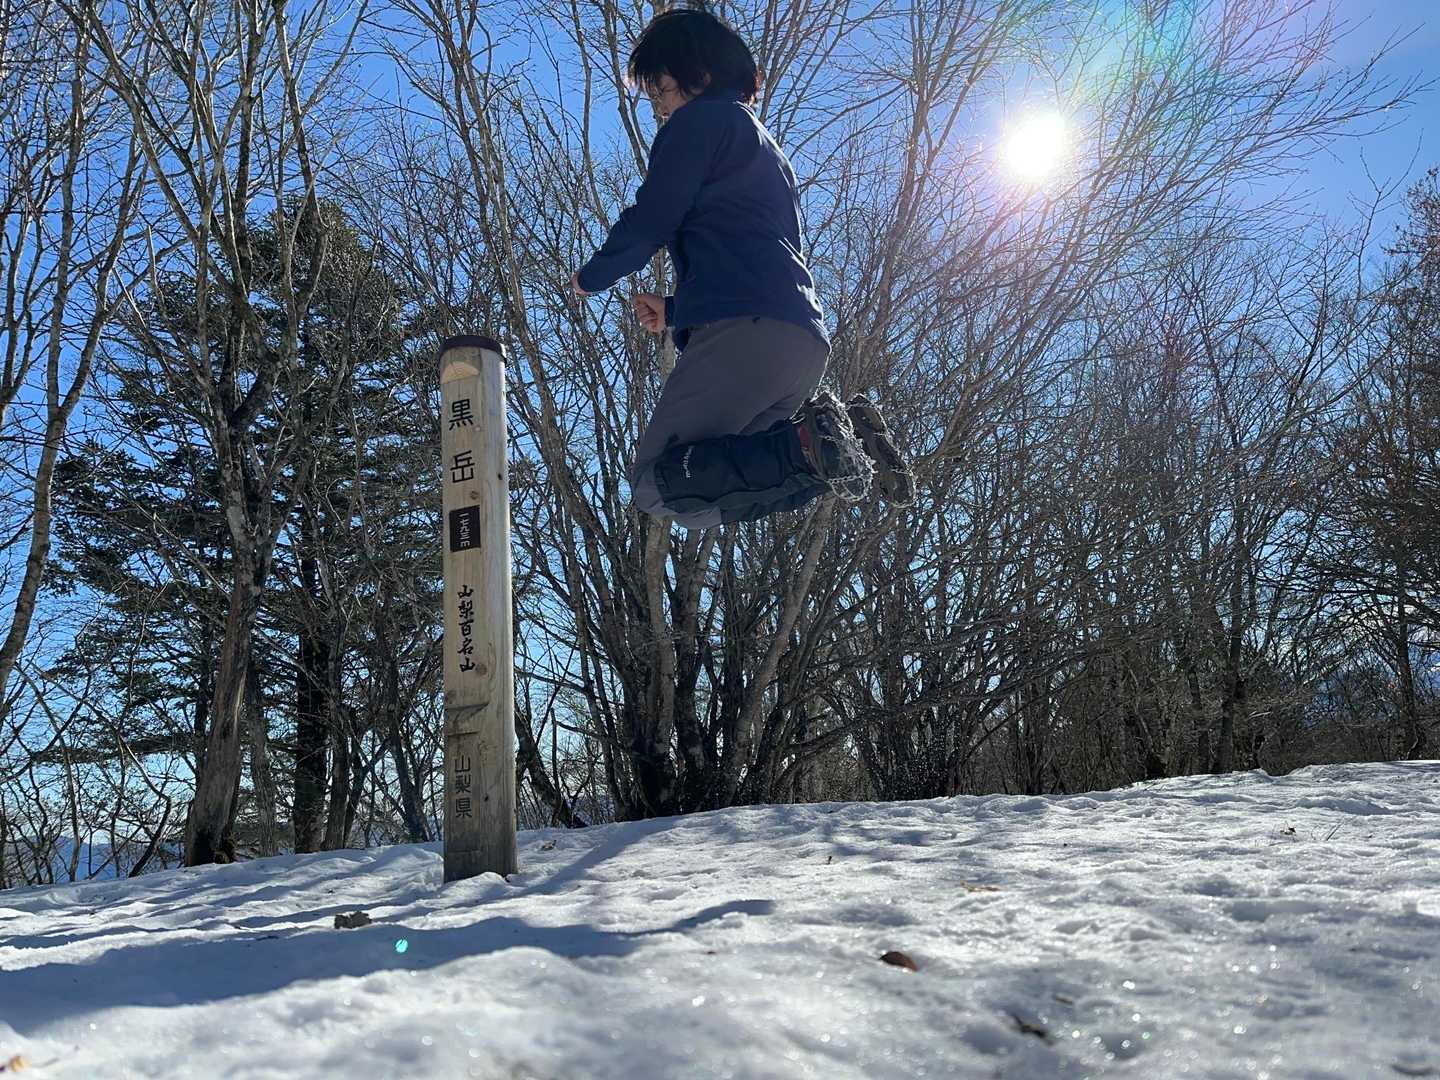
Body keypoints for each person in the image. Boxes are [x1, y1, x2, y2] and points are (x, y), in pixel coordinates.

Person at [571, 7, 914, 529]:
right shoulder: (765, 147)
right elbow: (752, 251)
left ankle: (808, 446)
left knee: (655, 483)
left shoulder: (700, 122)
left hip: (745, 336)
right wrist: (676, 310)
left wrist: (591, 277)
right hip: (800, 342)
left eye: (661, 91)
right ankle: (841, 445)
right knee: (706, 499)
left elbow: (653, 218)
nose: (660, 108)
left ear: (698, 74)